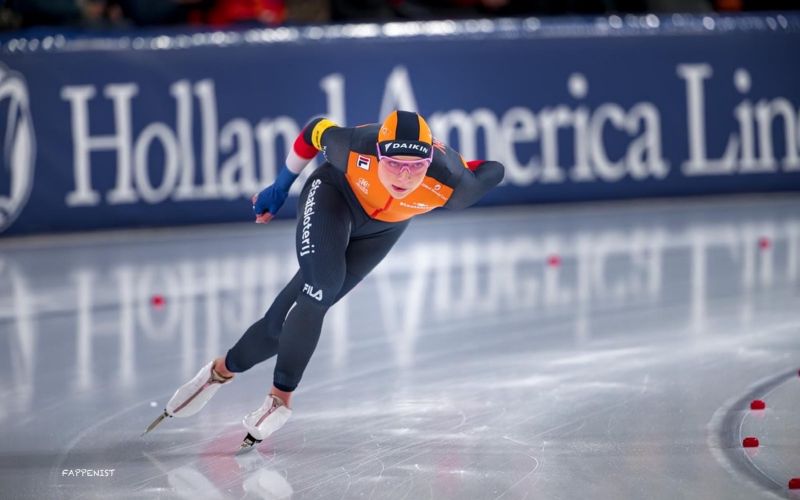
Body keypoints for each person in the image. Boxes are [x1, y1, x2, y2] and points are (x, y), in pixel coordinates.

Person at [143, 110, 505, 452]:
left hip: (382, 232)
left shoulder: (453, 185)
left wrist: (459, 164)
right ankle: (280, 399)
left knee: (281, 324)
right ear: (378, 155)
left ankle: (220, 371)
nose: (404, 177)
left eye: (416, 167)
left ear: (429, 163)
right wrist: (280, 187)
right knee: (320, 290)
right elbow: (313, 129)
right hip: (334, 197)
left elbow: (494, 169)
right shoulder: (353, 146)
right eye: (394, 164)